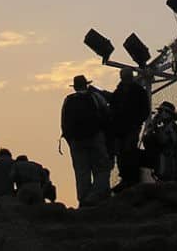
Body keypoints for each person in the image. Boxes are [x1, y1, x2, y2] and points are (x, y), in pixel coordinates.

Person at [60, 74, 112, 206]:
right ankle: (96, 196)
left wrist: (70, 140)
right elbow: (106, 114)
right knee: (102, 168)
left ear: (75, 87)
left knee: (81, 171)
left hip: (76, 141)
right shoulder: (94, 97)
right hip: (95, 137)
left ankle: (83, 200)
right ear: (86, 85)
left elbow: (64, 123)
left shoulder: (68, 100)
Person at [110, 69, 151, 190]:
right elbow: (145, 110)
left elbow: (144, 110)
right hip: (125, 128)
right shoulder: (137, 91)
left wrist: (136, 123)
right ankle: (127, 179)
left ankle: (129, 179)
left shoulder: (121, 91)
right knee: (125, 153)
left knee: (127, 153)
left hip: (126, 128)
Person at [142, 101, 177, 182]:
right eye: (160, 111)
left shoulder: (172, 128)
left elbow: (163, 140)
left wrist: (155, 127)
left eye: (163, 111)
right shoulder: (162, 128)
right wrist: (153, 125)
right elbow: (146, 138)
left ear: (169, 114)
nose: (160, 113)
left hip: (167, 163)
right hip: (158, 162)